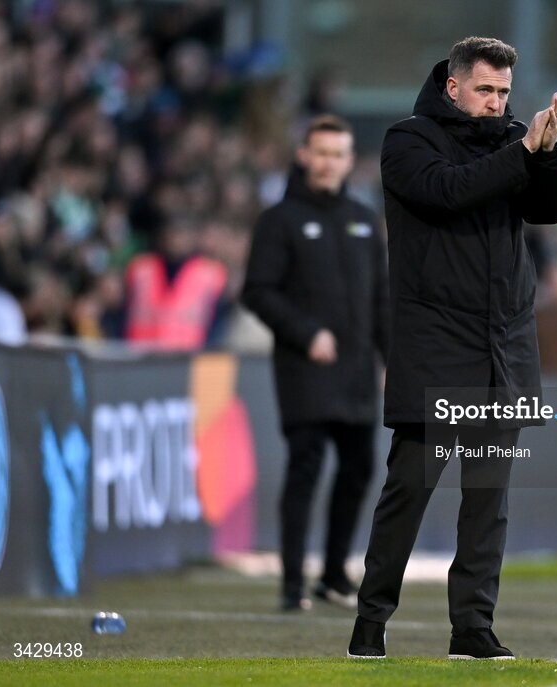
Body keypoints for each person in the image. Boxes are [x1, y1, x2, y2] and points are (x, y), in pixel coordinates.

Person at [348, 37, 557, 659]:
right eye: (485, 90)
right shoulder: (409, 139)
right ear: (454, 86)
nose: (497, 103)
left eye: (504, 93)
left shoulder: (515, 143)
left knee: (488, 499)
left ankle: (472, 628)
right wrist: (525, 149)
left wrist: (547, 153)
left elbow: (551, 210)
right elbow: (448, 192)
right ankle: (371, 622)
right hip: (438, 346)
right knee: (409, 493)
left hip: (504, 347)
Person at [241, 115, 389, 612]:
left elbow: (381, 299)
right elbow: (257, 292)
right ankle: (290, 583)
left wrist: (391, 360)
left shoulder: (366, 220)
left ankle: (332, 575)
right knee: (305, 470)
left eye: (338, 155)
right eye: (320, 153)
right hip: (304, 370)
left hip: (356, 373)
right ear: (304, 155)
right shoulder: (278, 220)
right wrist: (307, 334)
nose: (328, 163)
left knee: (358, 470)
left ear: (350, 162)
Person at [124, 216, 227, 350]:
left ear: (193, 238)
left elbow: (218, 319)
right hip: (138, 356)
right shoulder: (140, 268)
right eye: (171, 234)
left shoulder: (211, 273)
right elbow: (122, 310)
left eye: (181, 234)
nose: (175, 240)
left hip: (188, 358)